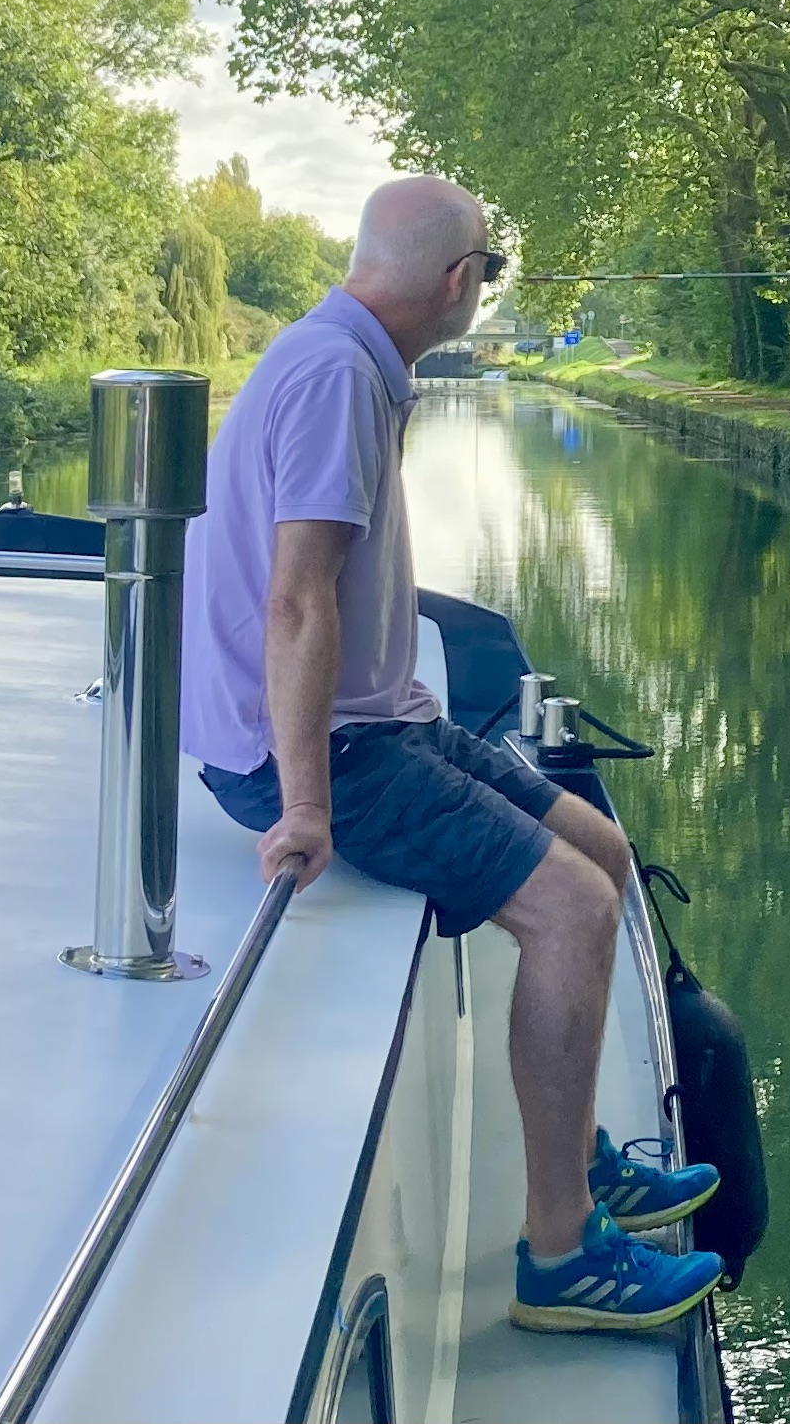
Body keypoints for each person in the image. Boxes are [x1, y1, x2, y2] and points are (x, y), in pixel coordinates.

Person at [181, 175, 724, 1333]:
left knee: (602, 852)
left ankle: (580, 1156)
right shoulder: (338, 376)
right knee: (572, 911)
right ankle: (561, 1255)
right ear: (461, 281)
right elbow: (296, 600)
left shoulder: (351, 358)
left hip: (378, 721)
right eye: (492, 272)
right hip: (317, 750)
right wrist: (306, 806)